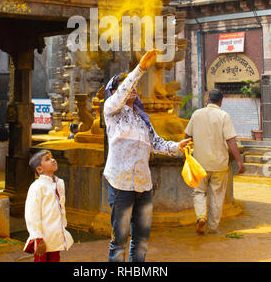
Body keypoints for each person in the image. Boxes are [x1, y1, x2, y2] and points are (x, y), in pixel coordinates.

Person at [103, 49, 192, 262]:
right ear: (115, 92)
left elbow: (156, 143)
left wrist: (176, 146)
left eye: (134, 85)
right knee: (119, 242)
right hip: (121, 184)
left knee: (141, 240)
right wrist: (140, 69)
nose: (132, 88)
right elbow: (121, 93)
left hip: (143, 186)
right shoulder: (111, 112)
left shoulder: (142, 119)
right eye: (126, 86)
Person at [185, 88, 245, 235]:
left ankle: (200, 217)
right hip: (219, 164)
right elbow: (231, 140)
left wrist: (186, 156)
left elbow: (187, 136)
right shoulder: (224, 115)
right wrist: (239, 161)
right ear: (221, 101)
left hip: (199, 163)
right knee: (217, 195)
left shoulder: (196, 114)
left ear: (207, 100)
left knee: (199, 192)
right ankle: (213, 228)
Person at [23, 149, 74, 262]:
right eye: (47, 159)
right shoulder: (37, 187)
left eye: (52, 157)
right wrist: (37, 236)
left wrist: (62, 227)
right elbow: (32, 214)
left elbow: (61, 206)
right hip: (43, 236)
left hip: (55, 233)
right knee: (41, 259)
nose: (53, 160)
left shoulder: (59, 183)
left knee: (55, 258)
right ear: (39, 169)